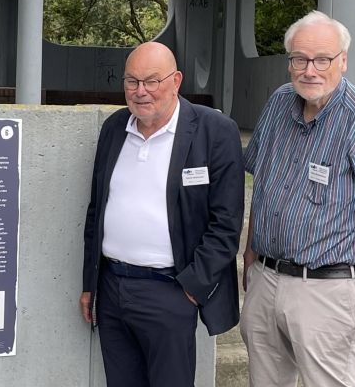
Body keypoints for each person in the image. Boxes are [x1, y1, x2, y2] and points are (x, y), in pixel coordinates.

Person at [241, 10, 355, 386]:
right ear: (289, 63)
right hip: (266, 280)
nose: (309, 70)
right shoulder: (280, 103)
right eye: (300, 59)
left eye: (322, 60)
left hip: (328, 291)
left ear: (343, 62)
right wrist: (250, 254)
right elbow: (262, 185)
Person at [80, 41, 244, 387]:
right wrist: (90, 284)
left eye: (152, 81)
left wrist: (191, 289)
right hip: (112, 290)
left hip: (170, 292)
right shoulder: (114, 129)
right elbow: (97, 210)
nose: (141, 92)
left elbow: (226, 224)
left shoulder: (214, 131)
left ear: (176, 81)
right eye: (132, 81)